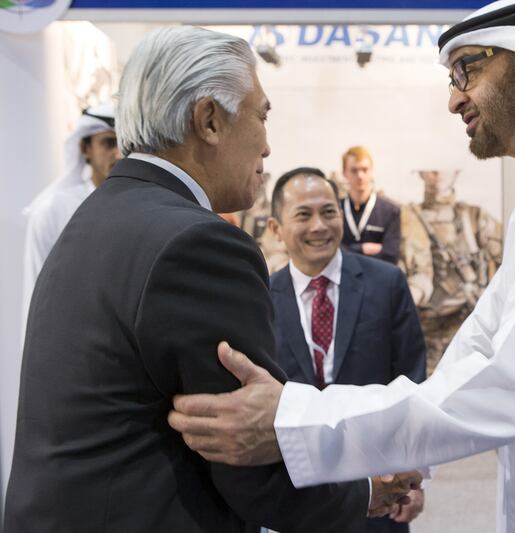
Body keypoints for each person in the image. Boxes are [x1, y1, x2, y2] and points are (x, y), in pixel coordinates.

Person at [168, 2, 515, 531]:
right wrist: (403, 456)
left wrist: (295, 421)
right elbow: (477, 351)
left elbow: (512, 382)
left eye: (466, 70)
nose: (454, 101)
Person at [4, 26, 417, 533]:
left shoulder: (96, 217)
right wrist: (371, 489)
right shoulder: (198, 245)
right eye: (262, 115)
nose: (268, 145)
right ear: (209, 121)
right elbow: (247, 460)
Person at [267, 166, 427, 532]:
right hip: (295, 502)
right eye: (303, 215)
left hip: (381, 490)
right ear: (276, 229)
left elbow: (412, 382)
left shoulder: (386, 284)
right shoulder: (260, 298)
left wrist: (415, 477)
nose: (319, 226)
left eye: (329, 212)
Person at [21, 103, 120, 326]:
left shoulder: (142, 206)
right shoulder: (52, 209)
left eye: (124, 143)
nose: (119, 153)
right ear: (85, 149)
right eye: (109, 142)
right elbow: (37, 296)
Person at [400, 169, 503, 374]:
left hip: (469, 329)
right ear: (420, 172)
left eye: (443, 166)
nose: (437, 173)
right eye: (430, 167)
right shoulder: (407, 219)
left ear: (456, 171)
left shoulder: (475, 218)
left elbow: (509, 264)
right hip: (424, 332)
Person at [340, 146, 401, 264]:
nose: (360, 176)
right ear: (344, 173)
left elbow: (391, 255)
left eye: (364, 169)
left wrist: (349, 250)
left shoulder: (391, 211)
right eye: (354, 170)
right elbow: (331, 253)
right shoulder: (335, 210)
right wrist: (363, 248)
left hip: (379, 279)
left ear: (372, 171)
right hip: (344, 278)